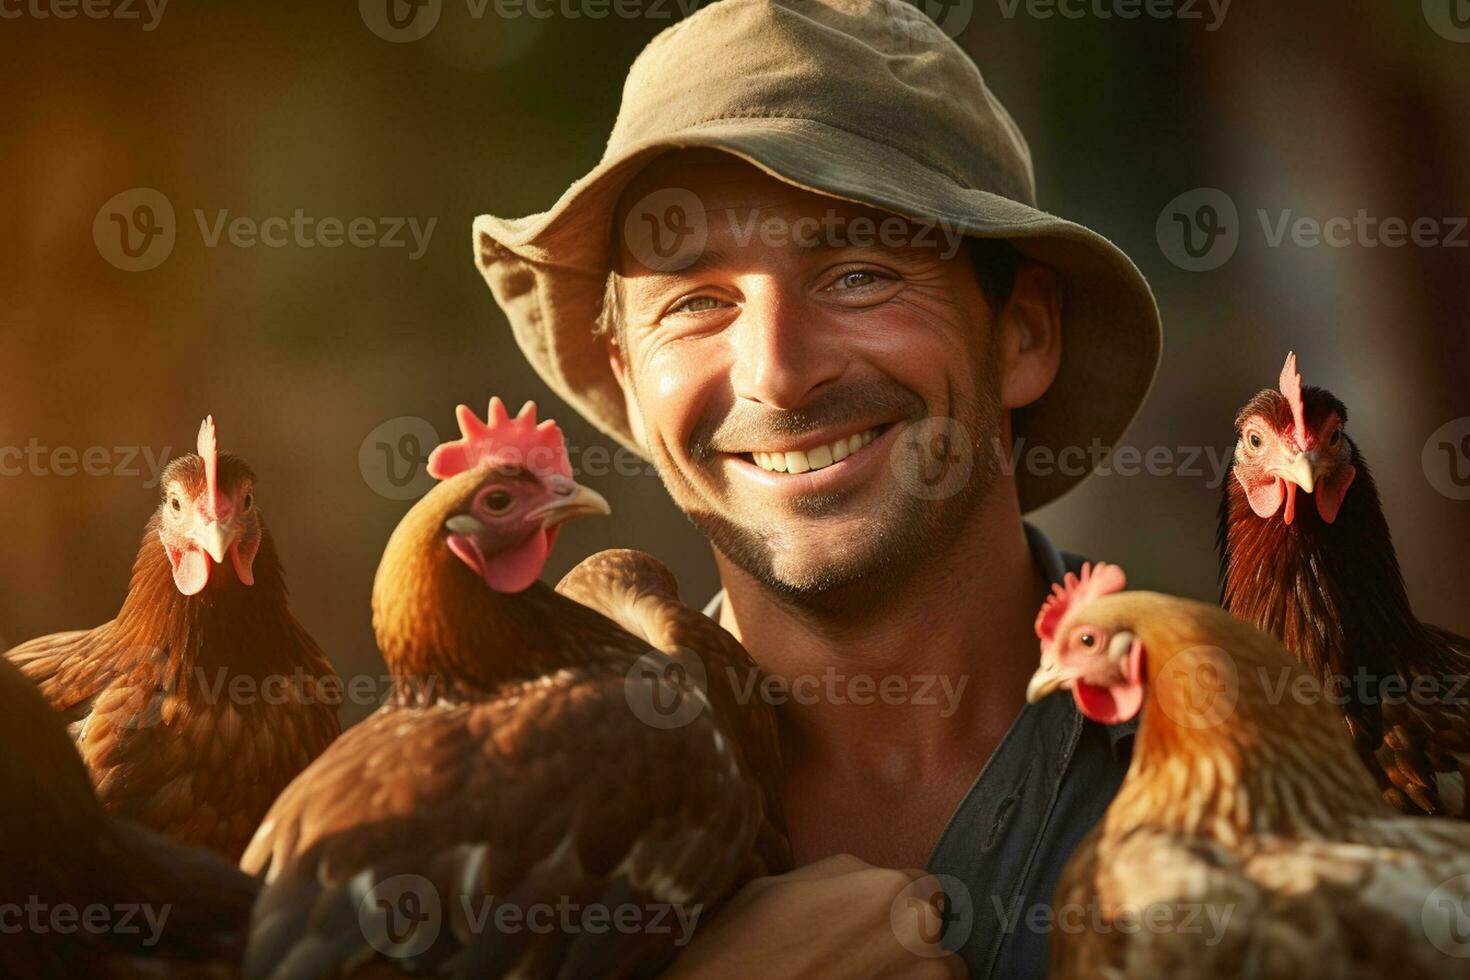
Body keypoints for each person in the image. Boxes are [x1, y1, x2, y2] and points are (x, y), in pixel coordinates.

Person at [471, 1, 1162, 976]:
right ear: (627, 375)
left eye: (860, 275)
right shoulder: (494, 822)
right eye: (696, 302)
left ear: (1024, 333)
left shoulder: (1309, 772)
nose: (779, 372)